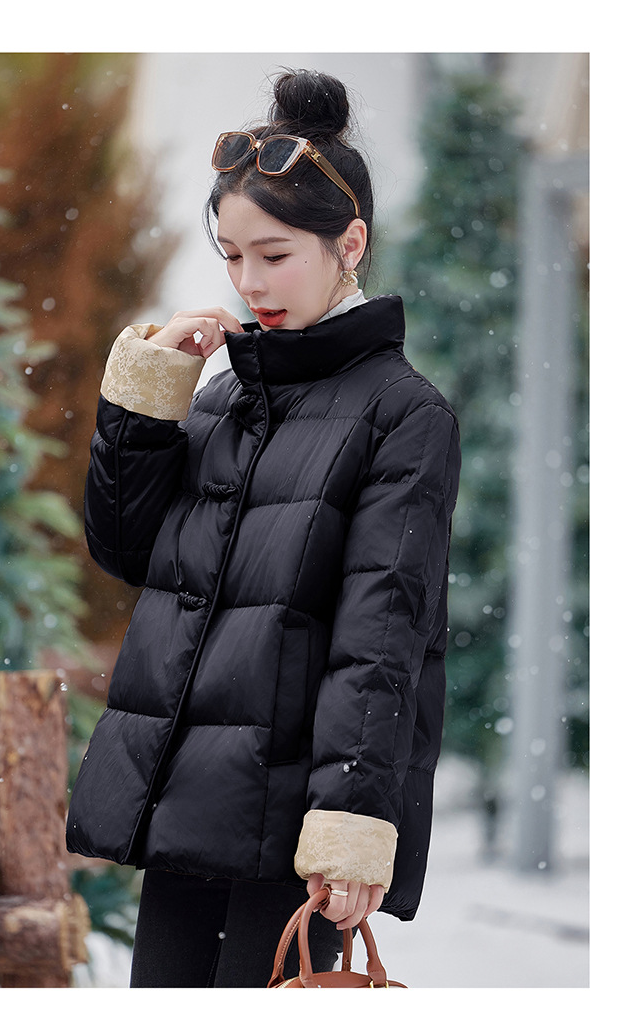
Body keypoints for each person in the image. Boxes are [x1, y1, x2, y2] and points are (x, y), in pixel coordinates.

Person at [66, 68, 461, 988]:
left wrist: (350, 823)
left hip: (293, 834)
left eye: (274, 254)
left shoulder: (404, 415)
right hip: (188, 807)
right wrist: (147, 404)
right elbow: (131, 554)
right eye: (233, 256)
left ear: (349, 243)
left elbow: (382, 636)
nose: (250, 282)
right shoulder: (224, 393)